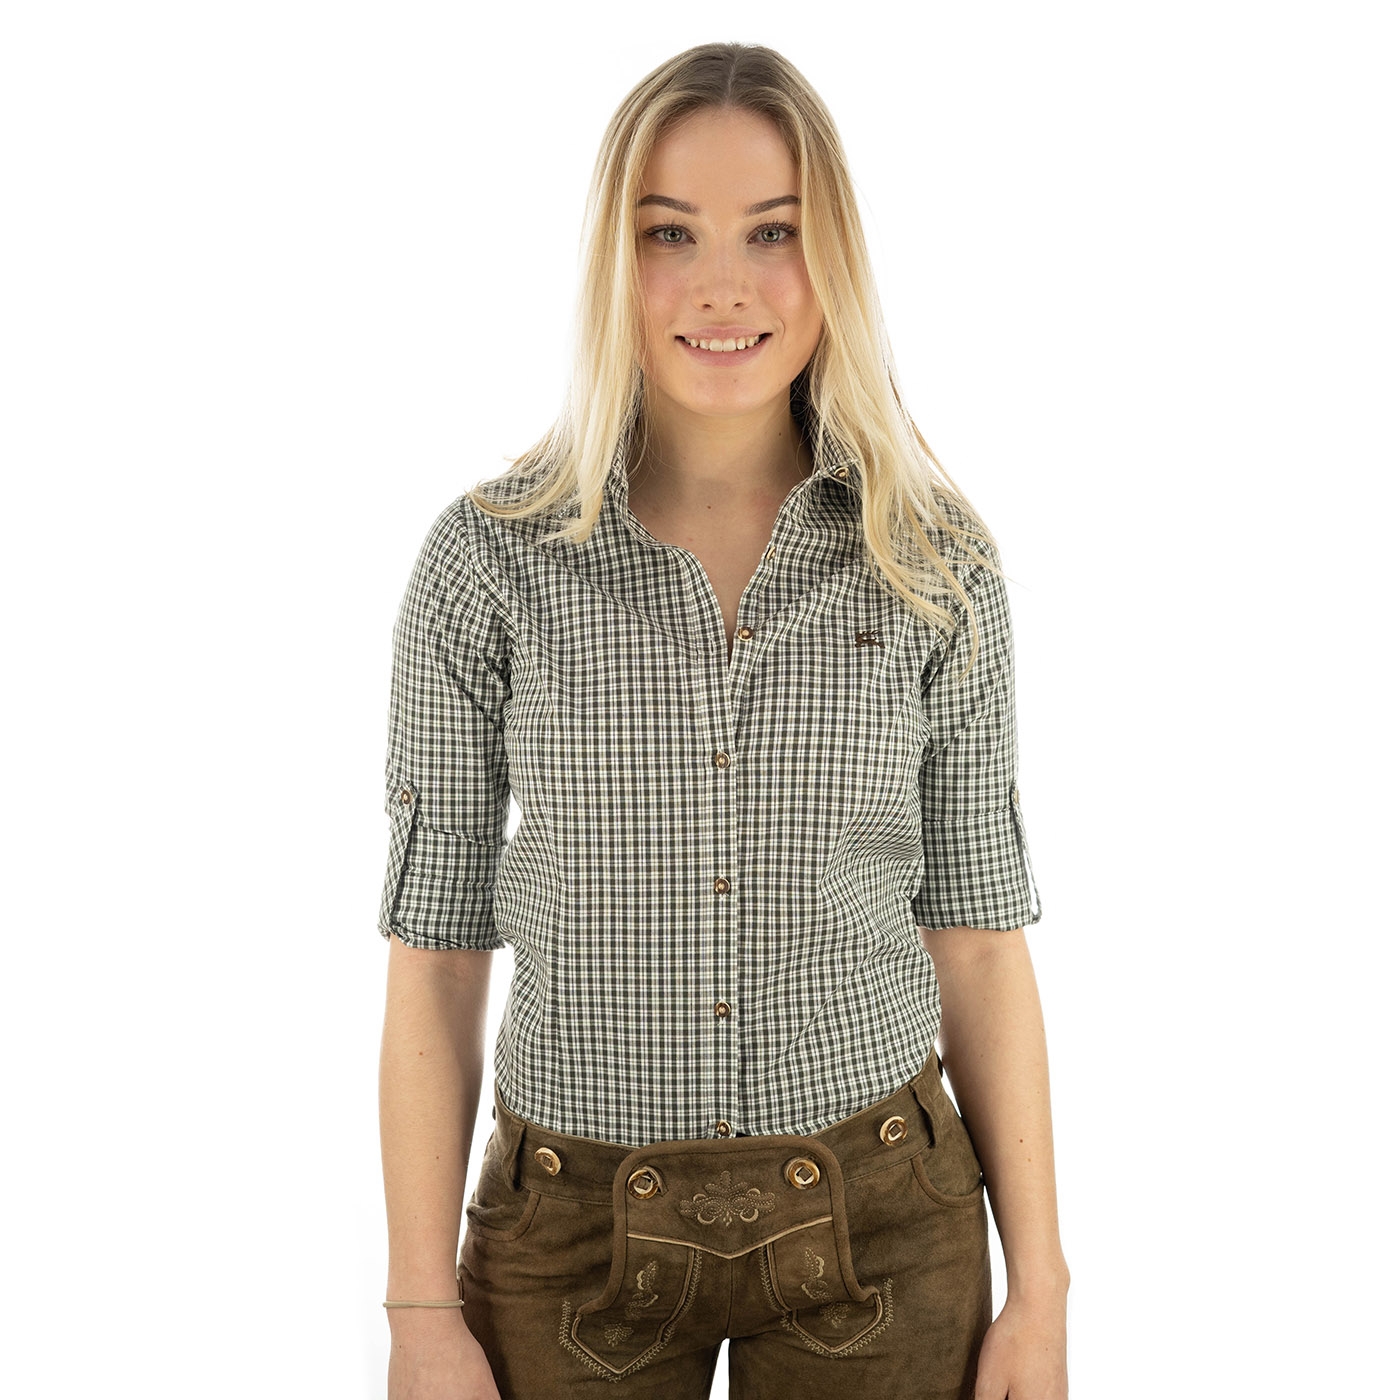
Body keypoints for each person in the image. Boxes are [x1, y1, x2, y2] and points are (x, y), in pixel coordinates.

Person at [377, 42, 1068, 1400]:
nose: (721, 285)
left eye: (773, 232)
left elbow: (982, 943)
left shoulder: (935, 564)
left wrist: (1040, 1291)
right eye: (669, 233)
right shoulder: (486, 565)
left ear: (834, 259)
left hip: (885, 1225)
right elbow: (437, 961)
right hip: (570, 1245)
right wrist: (417, 1312)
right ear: (613, 261)